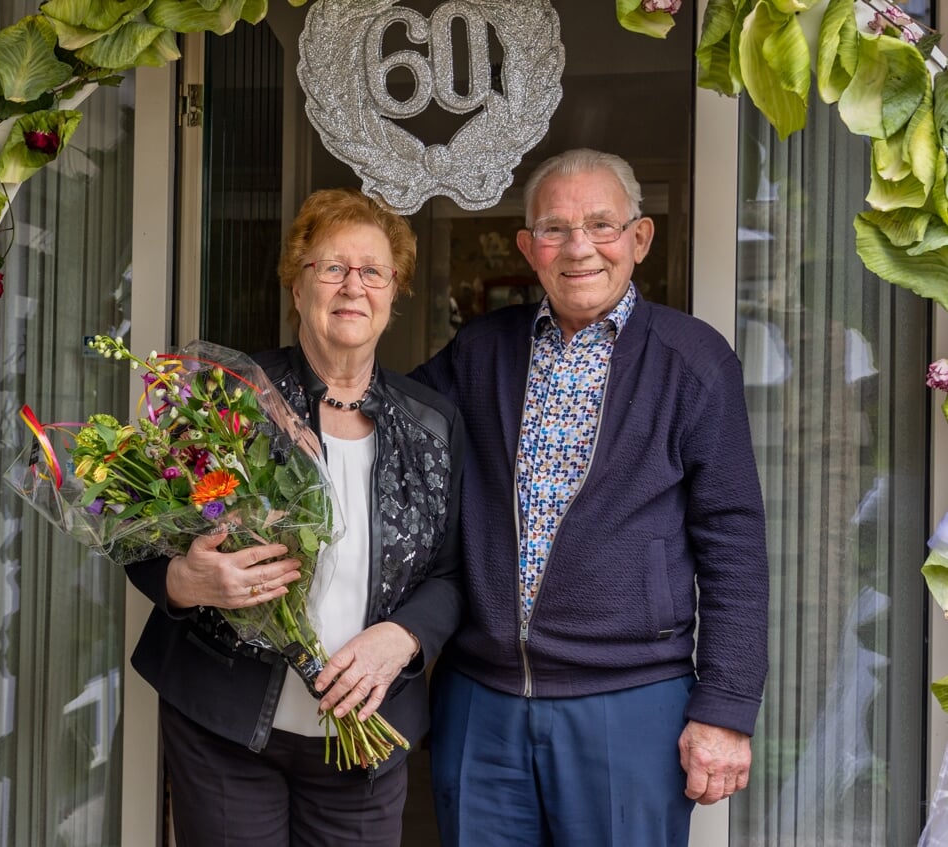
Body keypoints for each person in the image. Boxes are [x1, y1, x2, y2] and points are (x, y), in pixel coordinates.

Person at [412, 147, 769, 846]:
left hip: (628, 702)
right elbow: (382, 424)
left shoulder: (693, 361)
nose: (579, 248)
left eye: (601, 225)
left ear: (639, 238)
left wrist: (725, 706)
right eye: (554, 228)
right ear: (527, 247)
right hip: (480, 699)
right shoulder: (478, 351)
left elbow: (734, 541)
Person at [126, 188, 465, 846]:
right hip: (224, 725)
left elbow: (451, 572)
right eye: (330, 267)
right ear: (295, 282)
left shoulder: (432, 422)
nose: (351, 286)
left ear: (394, 292)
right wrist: (183, 581)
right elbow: (141, 536)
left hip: (364, 739)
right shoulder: (226, 397)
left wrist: (402, 639)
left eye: (372, 270)